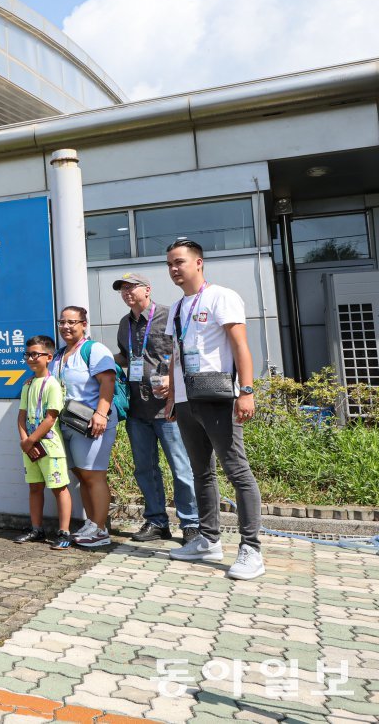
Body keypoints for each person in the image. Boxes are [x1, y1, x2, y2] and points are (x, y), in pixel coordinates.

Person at [163, 238, 264, 580]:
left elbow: (240, 346)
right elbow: (175, 356)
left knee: (237, 470)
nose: (174, 269)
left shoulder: (221, 296)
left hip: (218, 396)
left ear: (198, 263)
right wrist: (171, 397)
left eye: (179, 262)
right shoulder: (177, 309)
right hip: (186, 399)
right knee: (201, 472)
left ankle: (251, 548)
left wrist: (246, 392)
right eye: (170, 265)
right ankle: (208, 539)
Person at [112, 272, 200, 544]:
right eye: (122, 289)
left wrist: (172, 379)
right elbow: (126, 358)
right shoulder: (124, 323)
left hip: (168, 409)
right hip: (137, 409)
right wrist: (97, 357)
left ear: (147, 289)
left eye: (132, 287)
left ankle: (191, 523)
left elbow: (186, 352)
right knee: (144, 469)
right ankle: (156, 522)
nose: (127, 292)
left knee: (181, 468)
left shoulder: (168, 315)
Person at [52, 306, 118, 549]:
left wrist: (101, 413)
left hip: (93, 423)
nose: (66, 327)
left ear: (84, 324)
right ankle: (93, 523)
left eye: (72, 322)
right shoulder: (60, 354)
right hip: (70, 423)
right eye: (62, 322)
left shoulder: (94, 349)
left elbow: (108, 380)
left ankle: (100, 529)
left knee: (94, 474)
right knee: (82, 474)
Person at [13, 335, 73, 550]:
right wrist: (24, 441)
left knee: (59, 488)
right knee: (35, 487)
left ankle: (64, 532)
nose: (30, 358)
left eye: (35, 354)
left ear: (49, 357)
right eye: (27, 354)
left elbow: (50, 418)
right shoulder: (27, 384)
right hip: (29, 447)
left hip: (49, 447)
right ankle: (36, 529)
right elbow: (21, 416)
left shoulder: (52, 385)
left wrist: (30, 440)